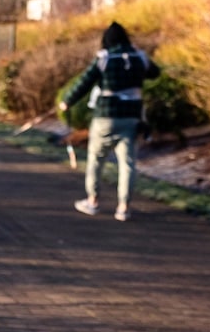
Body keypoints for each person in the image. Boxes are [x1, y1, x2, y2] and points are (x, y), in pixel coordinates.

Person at [57, 22, 160, 221]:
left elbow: (84, 82)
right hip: (132, 117)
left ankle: (93, 200)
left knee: (96, 159)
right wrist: (138, 57)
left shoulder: (104, 58)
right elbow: (155, 73)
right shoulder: (139, 57)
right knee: (127, 163)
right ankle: (123, 207)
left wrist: (67, 102)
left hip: (106, 116)